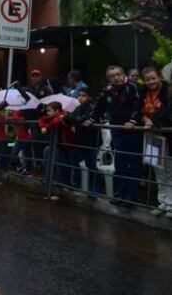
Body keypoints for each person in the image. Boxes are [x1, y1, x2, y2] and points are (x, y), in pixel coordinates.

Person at [87, 65, 141, 206]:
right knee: (120, 164)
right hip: (117, 131)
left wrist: (132, 120)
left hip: (133, 131)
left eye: (118, 74)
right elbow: (98, 105)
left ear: (123, 74)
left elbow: (138, 105)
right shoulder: (108, 90)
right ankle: (122, 195)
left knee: (133, 164)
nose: (116, 78)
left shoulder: (133, 87)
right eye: (112, 76)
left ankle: (132, 197)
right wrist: (92, 119)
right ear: (109, 78)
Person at [137, 66, 171, 216]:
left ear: (159, 77)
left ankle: (171, 204)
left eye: (153, 78)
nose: (151, 82)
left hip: (166, 135)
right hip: (151, 135)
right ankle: (162, 202)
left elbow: (168, 112)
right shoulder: (143, 91)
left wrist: (153, 122)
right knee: (158, 169)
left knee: (169, 170)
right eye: (148, 79)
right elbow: (138, 110)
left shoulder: (168, 90)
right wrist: (145, 119)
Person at [64, 88, 100, 194]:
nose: (80, 97)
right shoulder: (78, 108)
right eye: (79, 95)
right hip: (80, 140)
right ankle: (78, 183)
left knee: (91, 165)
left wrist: (76, 120)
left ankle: (95, 188)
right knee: (75, 161)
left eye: (84, 95)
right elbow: (68, 118)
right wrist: (77, 120)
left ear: (89, 97)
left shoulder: (94, 107)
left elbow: (84, 118)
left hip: (91, 141)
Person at [39, 101, 76, 188]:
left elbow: (54, 123)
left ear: (57, 110)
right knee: (55, 160)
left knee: (65, 164)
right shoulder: (56, 116)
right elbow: (42, 119)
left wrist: (46, 128)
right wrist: (43, 126)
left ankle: (65, 183)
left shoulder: (62, 116)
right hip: (60, 144)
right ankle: (53, 181)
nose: (48, 113)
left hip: (67, 144)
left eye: (49, 110)